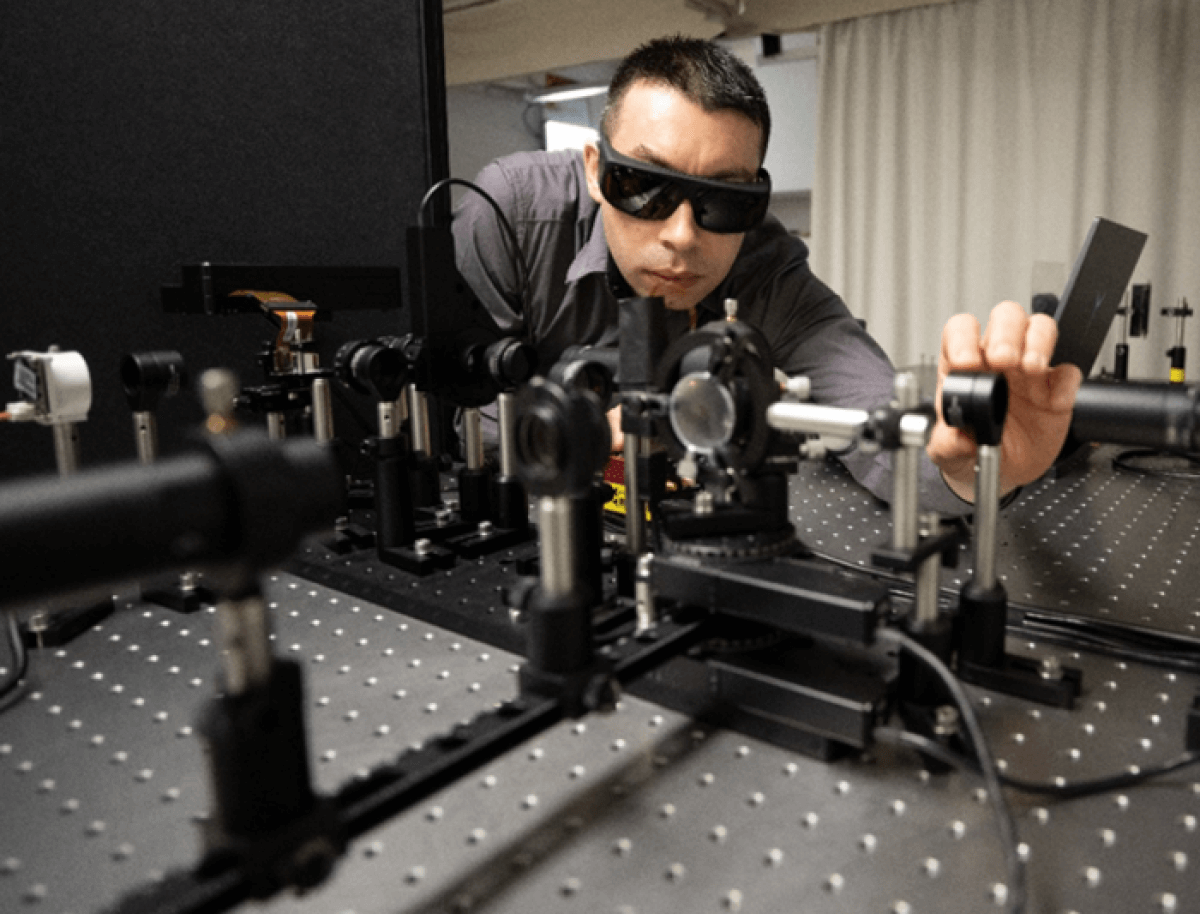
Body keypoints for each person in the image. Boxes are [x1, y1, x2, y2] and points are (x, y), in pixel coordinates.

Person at [453, 36, 1081, 512]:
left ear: (755, 200)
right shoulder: (508, 215)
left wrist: (973, 467)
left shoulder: (766, 268)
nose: (681, 234)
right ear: (595, 168)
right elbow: (448, 407)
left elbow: (873, 419)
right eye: (643, 185)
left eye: (723, 201)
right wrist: (578, 431)